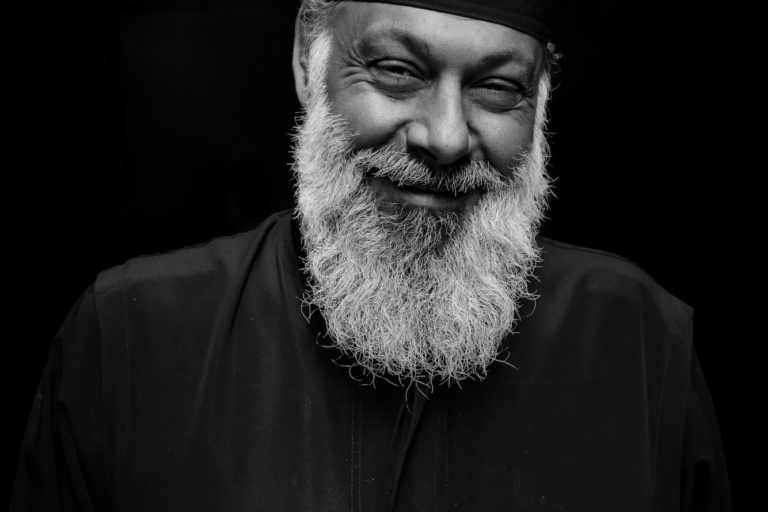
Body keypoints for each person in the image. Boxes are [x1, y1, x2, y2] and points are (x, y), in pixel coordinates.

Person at [12, 0, 730, 510]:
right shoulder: (130, 340)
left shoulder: (642, 347)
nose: (446, 138)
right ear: (306, 58)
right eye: (395, 69)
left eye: (497, 88)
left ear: (541, 101)